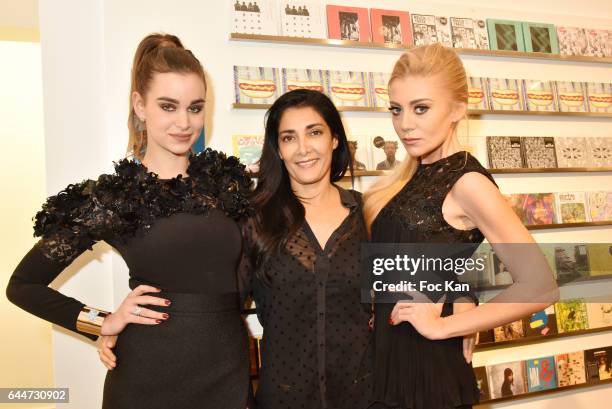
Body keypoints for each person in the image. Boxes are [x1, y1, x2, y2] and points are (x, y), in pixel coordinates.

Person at [5, 33, 252, 409]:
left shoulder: (225, 184)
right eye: (168, 106)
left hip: (227, 371)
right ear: (140, 105)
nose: (184, 122)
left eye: (195, 107)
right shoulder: (115, 199)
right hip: (147, 376)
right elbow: (23, 286)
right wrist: (101, 323)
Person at [363, 44, 558, 409]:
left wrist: (446, 326)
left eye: (421, 108)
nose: (405, 123)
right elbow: (440, 256)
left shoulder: (467, 181)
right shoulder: (409, 177)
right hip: (389, 367)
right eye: (396, 109)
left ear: (457, 108)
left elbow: (541, 285)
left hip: (428, 374)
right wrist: (462, 295)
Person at [240, 89, 373, 408]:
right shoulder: (254, 222)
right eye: (289, 138)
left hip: (364, 398)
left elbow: (419, 284)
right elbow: (214, 304)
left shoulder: (368, 215)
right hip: (284, 400)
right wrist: (119, 322)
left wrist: (459, 303)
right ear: (278, 150)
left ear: (335, 139)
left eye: (314, 132)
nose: (303, 149)